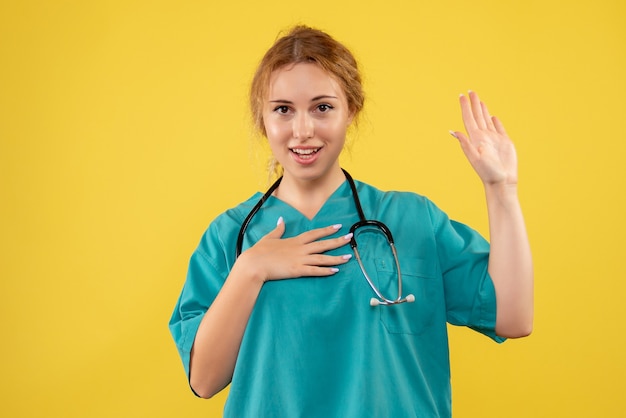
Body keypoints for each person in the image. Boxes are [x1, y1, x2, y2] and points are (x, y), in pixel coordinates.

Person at [169, 25, 533, 417]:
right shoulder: (230, 237)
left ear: (351, 111)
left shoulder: (411, 220)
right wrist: (250, 269)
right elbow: (204, 381)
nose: (303, 130)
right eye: (283, 109)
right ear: (263, 118)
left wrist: (502, 190)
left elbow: (512, 318)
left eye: (323, 107)